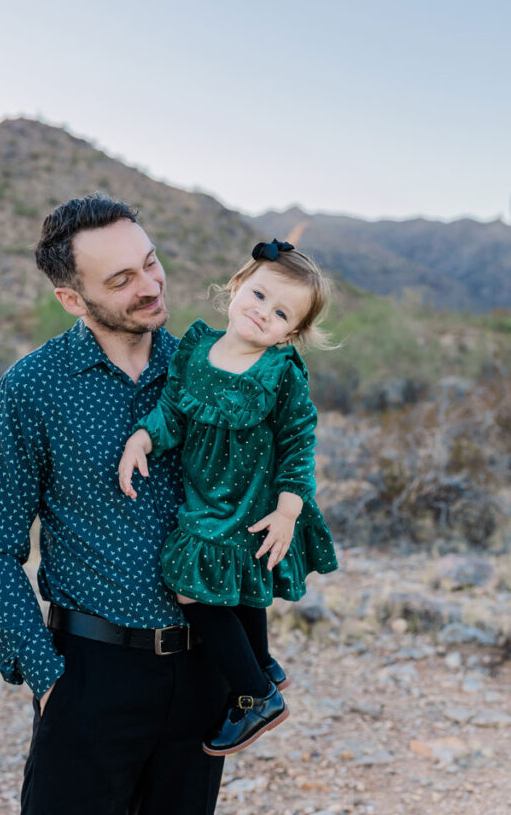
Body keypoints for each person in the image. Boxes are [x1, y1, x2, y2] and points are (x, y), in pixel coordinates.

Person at [0, 195, 228, 815]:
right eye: (122, 279)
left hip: (202, 666)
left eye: (151, 262)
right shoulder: (33, 387)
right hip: (90, 672)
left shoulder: (207, 366)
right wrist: (48, 677)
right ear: (73, 300)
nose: (150, 285)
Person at [118, 238, 339, 756]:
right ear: (237, 286)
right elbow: (172, 411)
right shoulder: (197, 349)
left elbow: (298, 443)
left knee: (190, 589)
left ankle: (255, 695)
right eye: (260, 295)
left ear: (293, 333)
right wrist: (142, 437)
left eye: (282, 312)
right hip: (207, 495)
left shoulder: (279, 374)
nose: (264, 313)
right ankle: (260, 664)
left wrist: (289, 510)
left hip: (252, 504)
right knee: (238, 590)